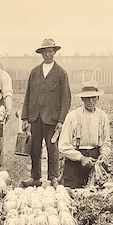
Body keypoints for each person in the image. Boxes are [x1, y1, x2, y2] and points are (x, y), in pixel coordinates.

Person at [20, 38, 72, 187]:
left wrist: (61, 120)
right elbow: (27, 95)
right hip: (35, 116)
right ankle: (35, 177)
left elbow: (66, 99)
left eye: (50, 51)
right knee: (35, 148)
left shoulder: (61, 73)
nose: (48, 54)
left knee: (52, 148)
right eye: (45, 51)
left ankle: (53, 178)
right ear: (41, 53)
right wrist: (25, 118)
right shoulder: (35, 72)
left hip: (52, 118)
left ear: (54, 52)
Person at [59, 80, 111, 188]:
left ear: (98, 98)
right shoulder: (72, 117)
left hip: (95, 160)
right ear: (82, 99)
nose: (90, 101)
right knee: (72, 195)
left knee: (99, 195)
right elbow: (63, 146)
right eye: (87, 98)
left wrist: (103, 154)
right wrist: (81, 158)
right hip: (75, 162)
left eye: (93, 97)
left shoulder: (102, 116)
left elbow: (106, 142)